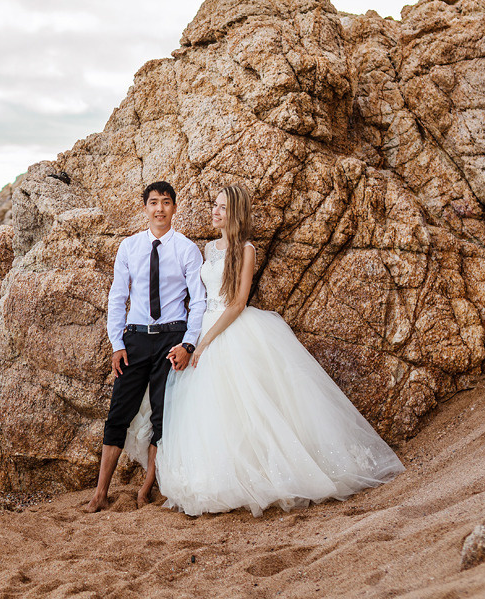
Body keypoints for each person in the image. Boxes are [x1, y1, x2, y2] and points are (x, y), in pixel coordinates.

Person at [125, 184, 404, 516]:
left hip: (230, 327)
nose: (215, 211)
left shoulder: (246, 250)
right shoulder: (208, 249)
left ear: (236, 213)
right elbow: (197, 298)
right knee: (204, 408)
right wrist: (189, 337)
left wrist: (204, 343)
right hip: (202, 326)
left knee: (248, 405)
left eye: (222, 208)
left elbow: (239, 302)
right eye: (215, 205)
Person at [85, 181, 207, 513]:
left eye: (166, 203)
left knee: (163, 416)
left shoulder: (186, 249)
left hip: (172, 338)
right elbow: (117, 297)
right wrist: (117, 344)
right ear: (145, 208)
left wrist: (188, 344)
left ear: (174, 208)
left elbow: (198, 301)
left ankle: (146, 487)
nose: (159, 209)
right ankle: (100, 493)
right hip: (136, 339)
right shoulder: (130, 247)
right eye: (153, 203)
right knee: (118, 413)